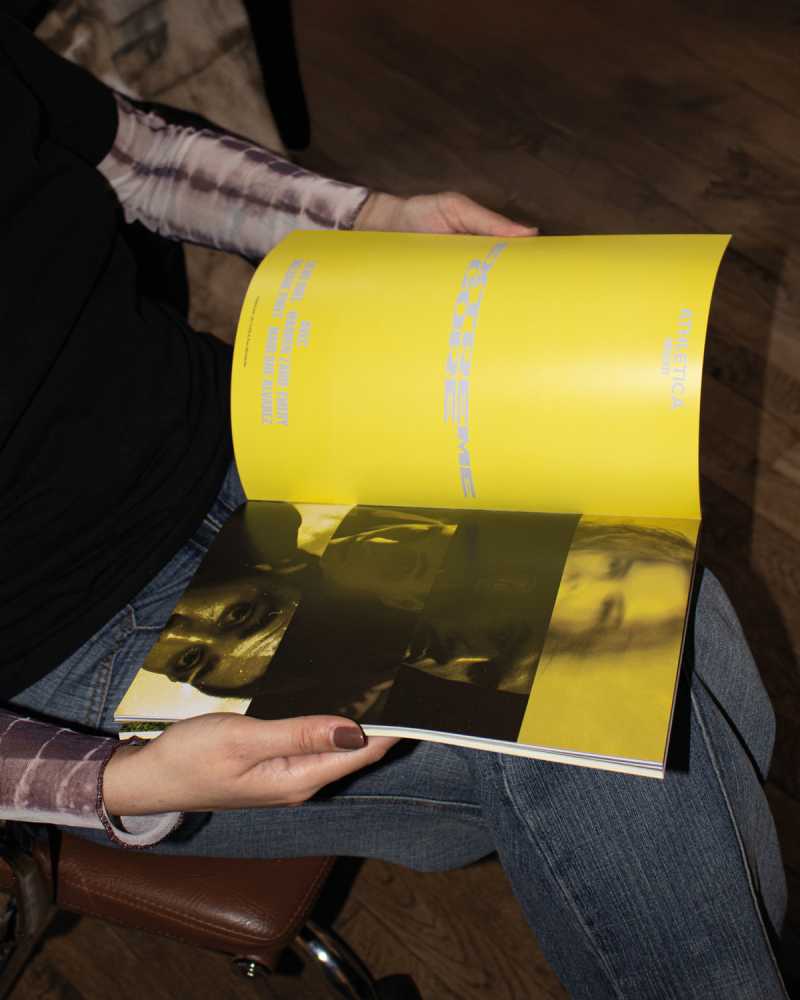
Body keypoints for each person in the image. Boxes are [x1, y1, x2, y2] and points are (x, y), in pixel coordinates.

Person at [0, 14, 790, 998]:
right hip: (69, 649)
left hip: (255, 439)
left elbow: (131, 153)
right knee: (612, 726)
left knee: (656, 589)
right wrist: (105, 782)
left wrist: (367, 216)